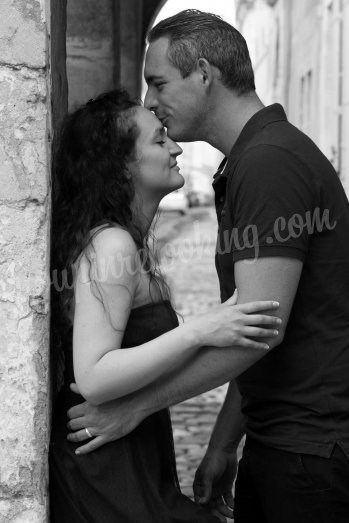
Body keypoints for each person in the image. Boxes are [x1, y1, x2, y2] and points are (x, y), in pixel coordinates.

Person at [66, 10, 349, 523]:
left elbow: (258, 329)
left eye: (158, 83)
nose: (151, 100)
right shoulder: (252, 161)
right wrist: (224, 442)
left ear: (202, 73)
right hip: (285, 441)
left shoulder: (268, 163)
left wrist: (137, 406)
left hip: (308, 449)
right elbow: (248, 327)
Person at [49, 88, 281, 522]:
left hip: (129, 453)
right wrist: (199, 329)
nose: (176, 147)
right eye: (158, 140)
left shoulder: (125, 242)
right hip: (105, 467)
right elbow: (95, 378)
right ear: (120, 165)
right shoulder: (111, 244)